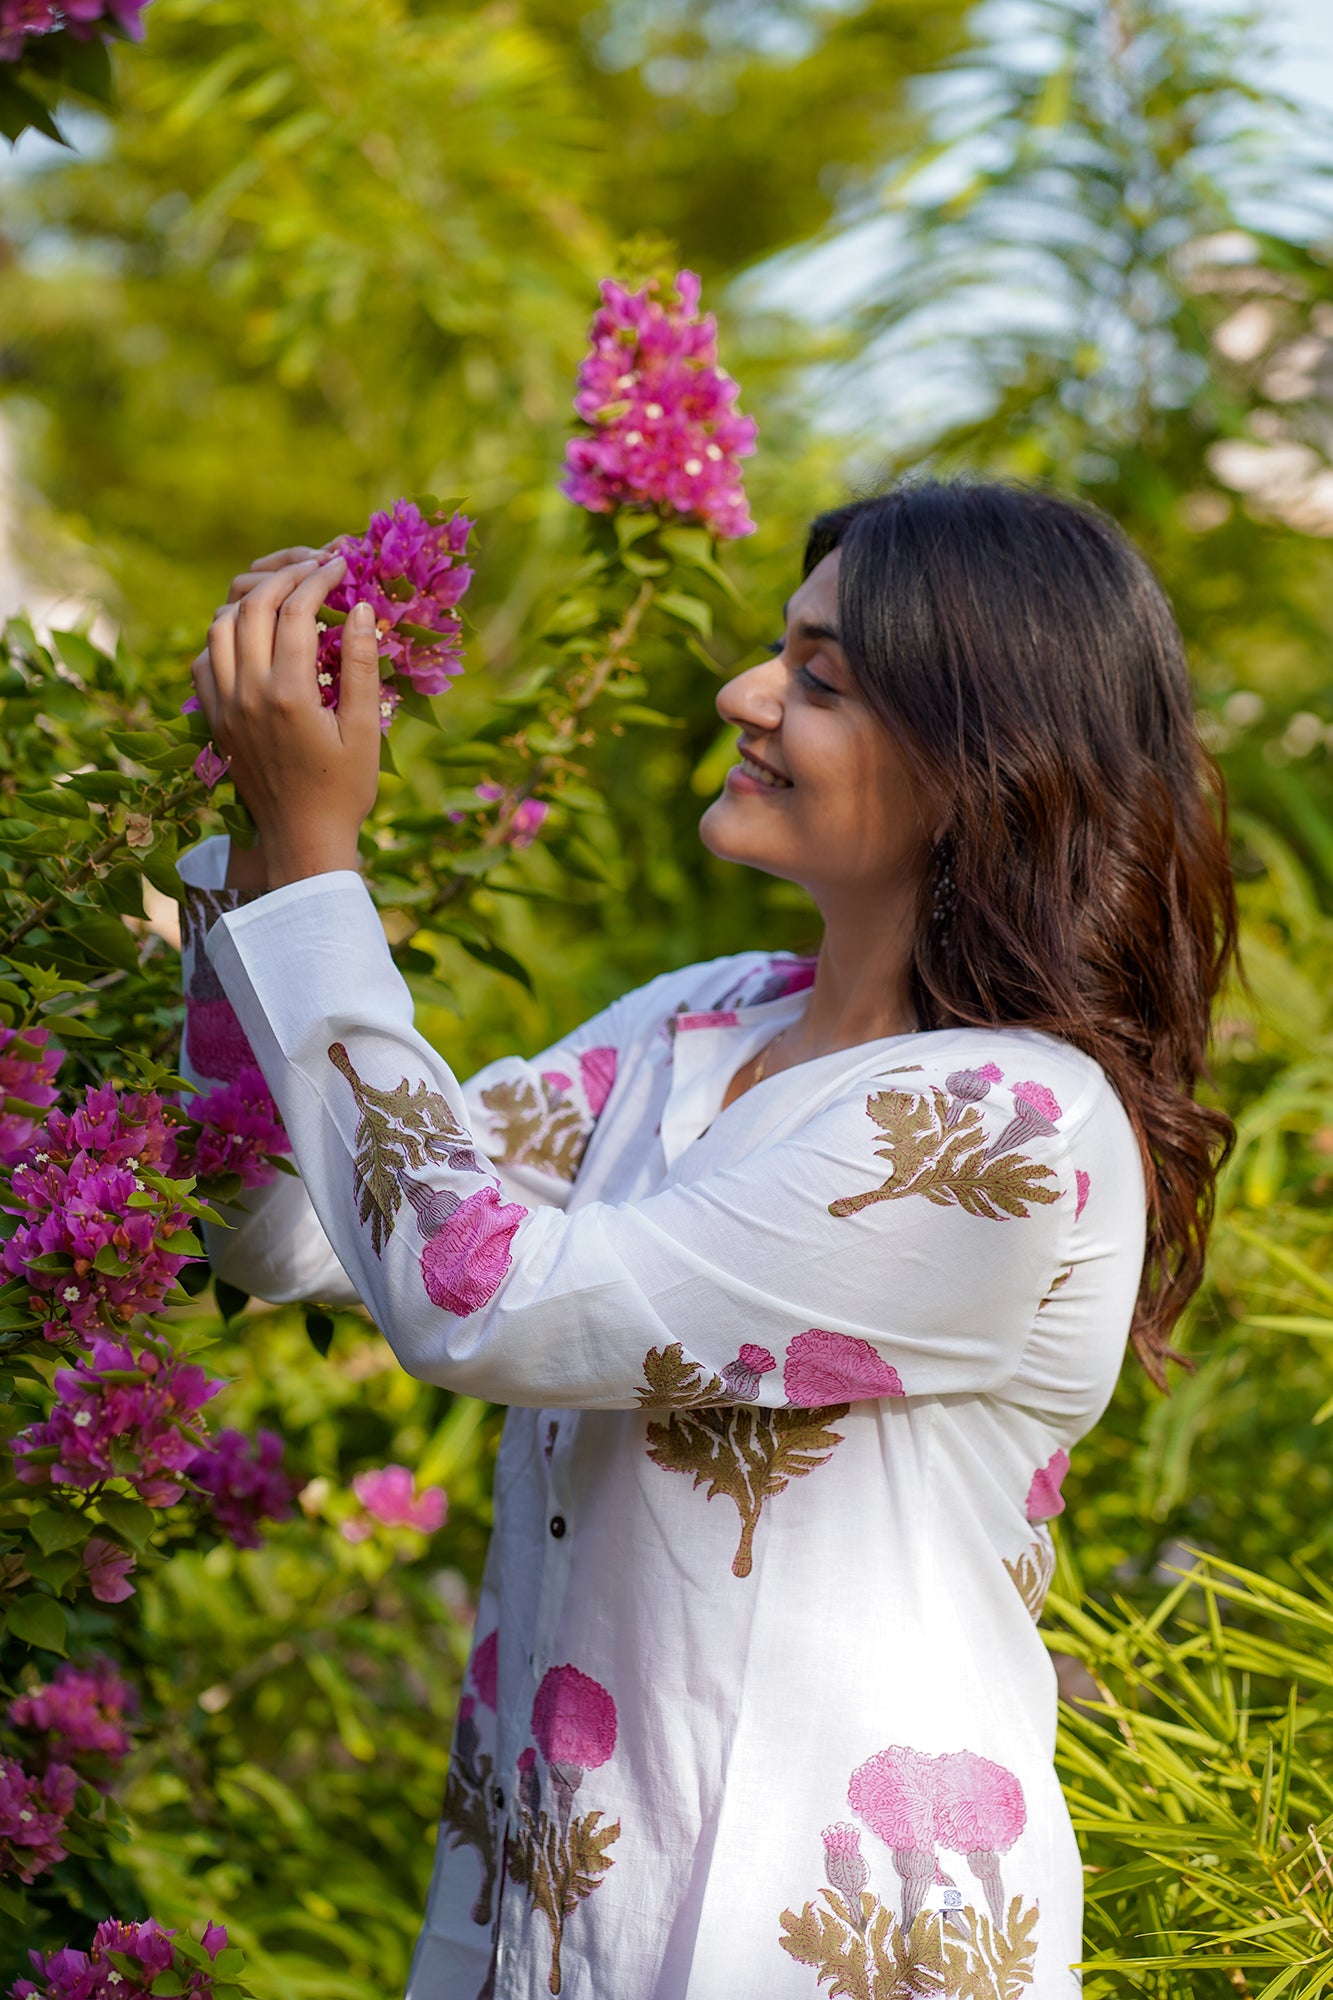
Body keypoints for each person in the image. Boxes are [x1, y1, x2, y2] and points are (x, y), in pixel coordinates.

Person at [183, 480, 1236, 2000]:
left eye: (818, 680)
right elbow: (289, 1231)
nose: (744, 694)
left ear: (976, 767)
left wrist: (323, 865)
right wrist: (267, 864)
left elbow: (479, 1302)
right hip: (550, 1930)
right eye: (774, 652)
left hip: (814, 1937)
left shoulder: (1001, 1125)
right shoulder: (695, 1028)